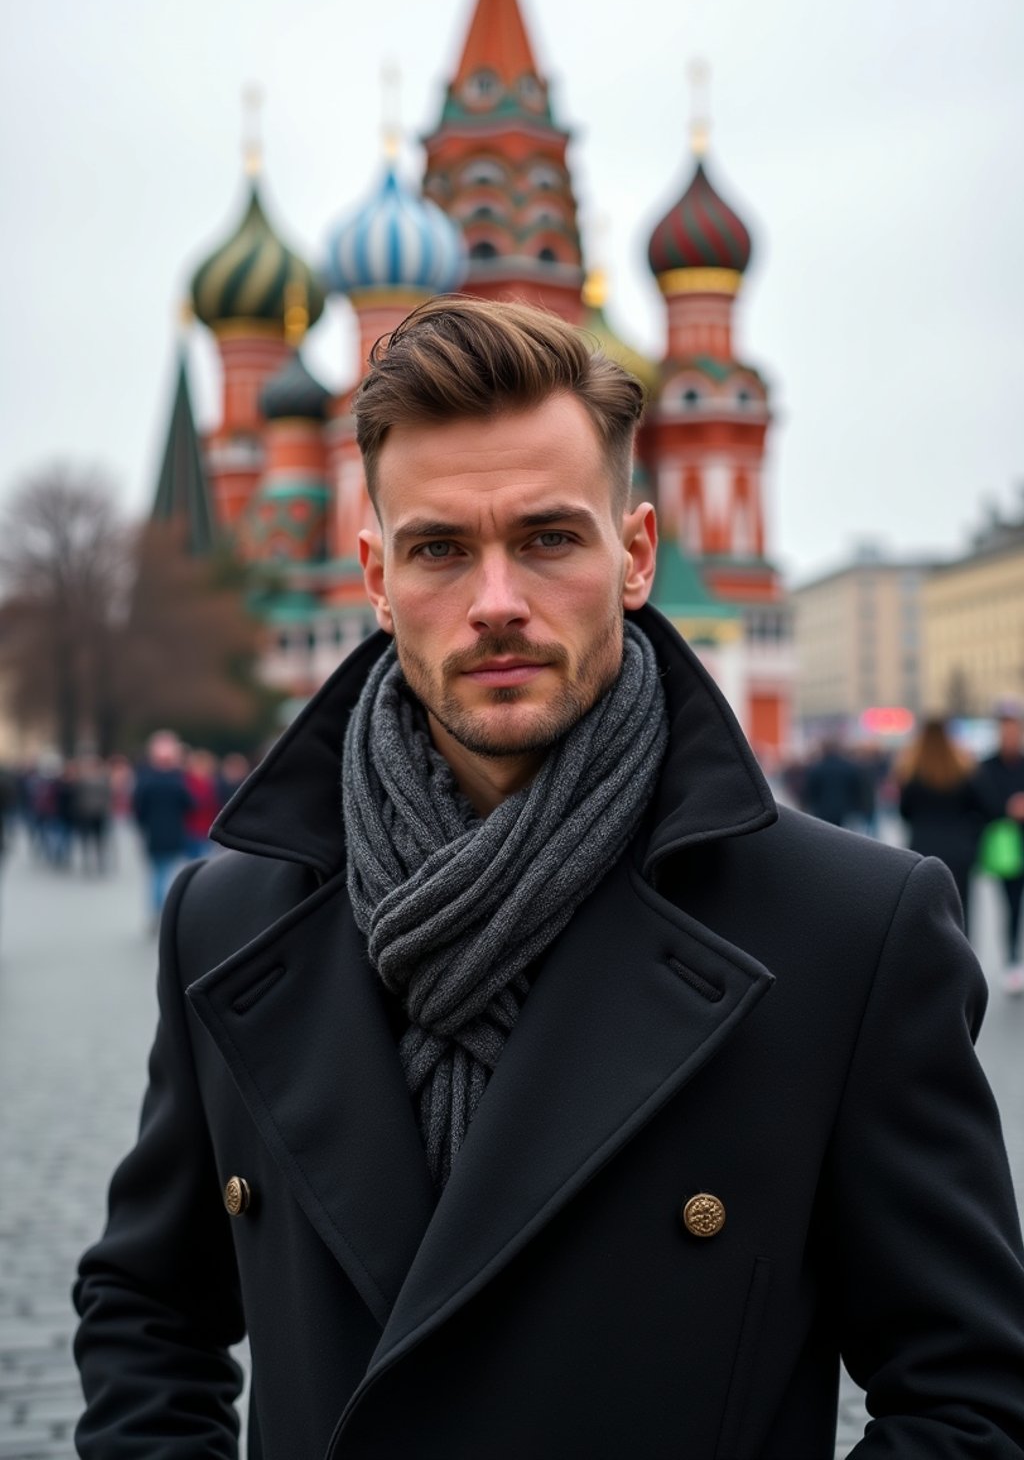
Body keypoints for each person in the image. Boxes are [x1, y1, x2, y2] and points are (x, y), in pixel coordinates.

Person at [74, 300, 1024, 1459]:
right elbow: (149, 1313)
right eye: (438, 549)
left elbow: (971, 1398)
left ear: (632, 555)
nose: (495, 603)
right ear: (374, 575)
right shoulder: (227, 923)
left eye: (547, 538)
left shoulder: (847, 931)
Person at [895, 716, 985, 935]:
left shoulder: (912, 772)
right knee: (961, 911)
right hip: (958, 849)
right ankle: (962, 961)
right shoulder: (962, 770)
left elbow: (905, 812)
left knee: (925, 911)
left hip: (922, 849)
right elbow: (981, 808)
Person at [977, 699, 1024, 994]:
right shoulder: (986, 766)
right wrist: (1009, 807)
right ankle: (1012, 960)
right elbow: (984, 804)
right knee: (1011, 904)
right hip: (1006, 846)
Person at [131, 730, 192, 929]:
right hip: (173, 832)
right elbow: (190, 804)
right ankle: (167, 912)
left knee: (157, 874)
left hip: (153, 833)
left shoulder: (146, 779)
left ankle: (157, 912)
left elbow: (138, 808)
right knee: (167, 873)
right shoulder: (177, 781)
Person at [801, 736, 866, 829]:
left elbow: (810, 791)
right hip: (846, 812)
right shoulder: (849, 767)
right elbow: (857, 789)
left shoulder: (817, 768)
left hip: (822, 811)